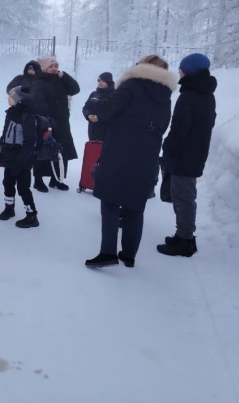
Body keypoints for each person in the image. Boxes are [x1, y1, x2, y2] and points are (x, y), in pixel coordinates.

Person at [85, 55, 177, 268]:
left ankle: (108, 252)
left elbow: (107, 109)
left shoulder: (132, 85)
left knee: (109, 201)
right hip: (146, 156)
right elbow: (163, 126)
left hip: (119, 151)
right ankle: (128, 255)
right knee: (135, 205)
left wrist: (94, 103)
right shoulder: (165, 95)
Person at [157, 53, 217, 257]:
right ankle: (184, 236)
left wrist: (168, 149)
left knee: (183, 197)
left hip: (184, 154)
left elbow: (179, 129)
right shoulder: (207, 94)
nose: (179, 72)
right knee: (184, 196)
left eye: (181, 69)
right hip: (197, 151)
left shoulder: (189, 95)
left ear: (189, 71)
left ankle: (184, 240)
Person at [31, 56, 80, 192]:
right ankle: (38, 180)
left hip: (62, 123)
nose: (54, 69)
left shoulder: (61, 80)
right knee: (43, 152)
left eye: (56, 66)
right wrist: (47, 122)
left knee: (61, 152)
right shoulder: (39, 82)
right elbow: (39, 103)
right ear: (44, 68)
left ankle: (57, 179)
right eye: (51, 66)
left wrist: (65, 76)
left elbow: (75, 89)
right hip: (46, 124)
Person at [0, 86, 39, 228]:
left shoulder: (27, 116)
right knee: (7, 183)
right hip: (9, 154)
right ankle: (9, 208)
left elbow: (30, 142)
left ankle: (31, 215)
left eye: (11, 96)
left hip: (22, 157)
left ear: (18, 99)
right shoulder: (11, 112)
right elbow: (5, 133)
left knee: (23, 187)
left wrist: (20, 163)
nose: (8, 98)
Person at [82, 72, 115, 142]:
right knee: (93, 149)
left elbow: (113, 111)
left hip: (107, 128)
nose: (100, 83)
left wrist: (99, 118)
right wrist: (88, 115)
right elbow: (85, 108)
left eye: (103, 81)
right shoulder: (94, 94)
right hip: (93, 128)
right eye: (99, 81)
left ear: (109, 82)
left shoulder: (113, 95)